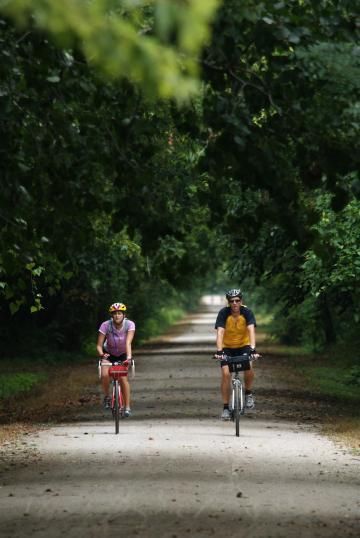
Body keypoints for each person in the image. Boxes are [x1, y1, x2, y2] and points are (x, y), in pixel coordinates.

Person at [214, 289, 259, 420]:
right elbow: (220, 333)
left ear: (241, 301)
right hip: (227, 347)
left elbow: (251, 330)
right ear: (228, 302)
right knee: (226, 374)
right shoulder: (223, 313)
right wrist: (219, 351)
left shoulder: (247, 312)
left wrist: (253, 348)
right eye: (231, 301)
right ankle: (226, 408)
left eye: (237, 301)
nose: (234, 303)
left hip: (244, 345)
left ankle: (248, 394)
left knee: (249, 365)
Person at [96, 302, 135, 416]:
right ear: (111, 316)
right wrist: (102, 354)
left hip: (123, 353)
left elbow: (128, 342)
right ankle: (107, 397)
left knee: (123, 379)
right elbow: (99, 345)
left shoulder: (129, 324)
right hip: (108, 353)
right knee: (104, 375)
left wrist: (128, 358)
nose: (117, 315)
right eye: (115, 314)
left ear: (124, 315)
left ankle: (127, 407)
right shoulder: (105, 325)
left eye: (119, 313)